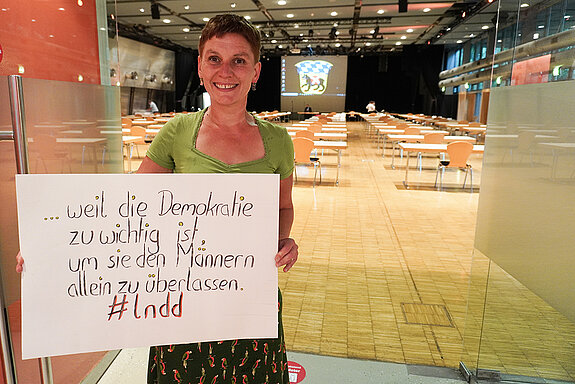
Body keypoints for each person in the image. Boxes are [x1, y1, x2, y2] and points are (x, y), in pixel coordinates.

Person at [137, 14, 298, 384]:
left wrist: (281, 240)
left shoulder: (278, 141)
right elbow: (130, 206)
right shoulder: (177, 132)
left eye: (239, 60)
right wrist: (60, 245)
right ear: (200, 65)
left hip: (250, 296)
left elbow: (283, 206)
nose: (226, 70)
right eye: (214, 58)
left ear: (255, 71)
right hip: (183, 297)